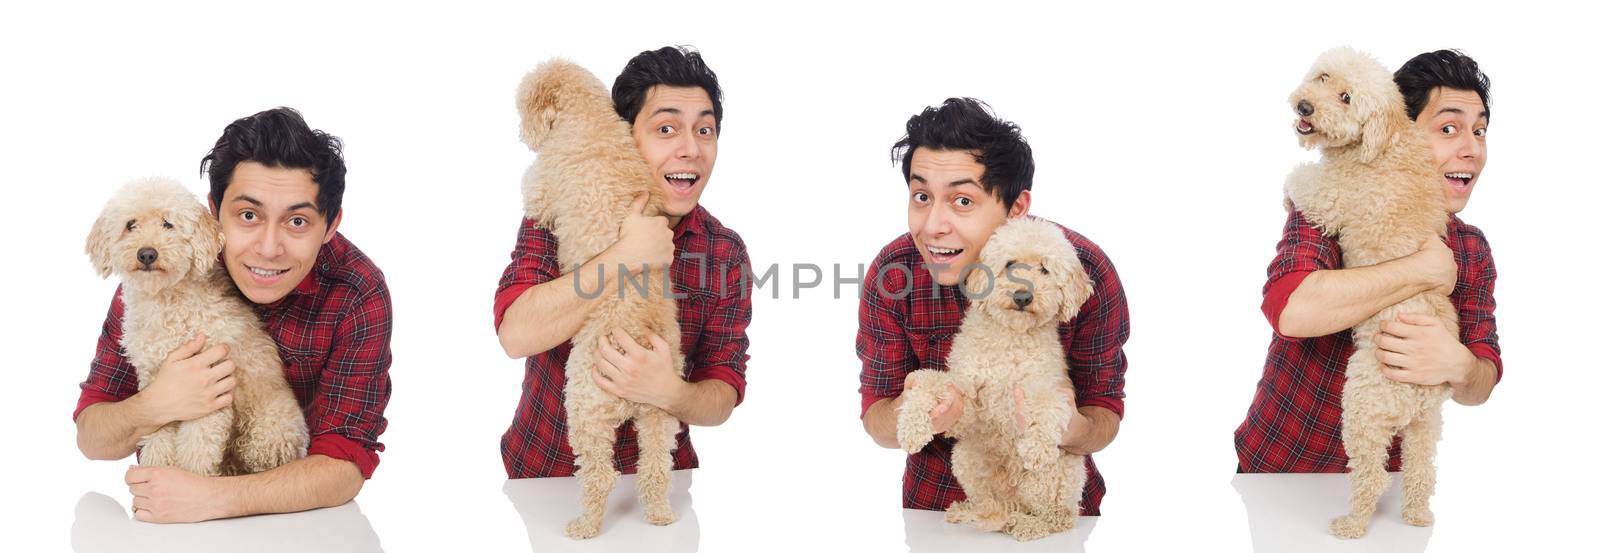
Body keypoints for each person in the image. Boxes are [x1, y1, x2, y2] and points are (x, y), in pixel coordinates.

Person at [75, 107, 393, 522]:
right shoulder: (156, 275)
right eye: (248, 215)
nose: (268, 247)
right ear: (214, 211)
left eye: (297, 221)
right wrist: (156, 403)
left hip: (298, 527)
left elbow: (344, 463)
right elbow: (92, 438)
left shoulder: (357, 292)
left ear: (331, 225)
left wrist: (212, 497)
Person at [858, 98, 1129, 514]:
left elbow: (1105, 413)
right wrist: (915, 412)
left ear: (1017, 208)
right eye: (921, 196)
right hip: (935, 513)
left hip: (1053, 517)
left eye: (962, 201)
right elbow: (876, 418)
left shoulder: (1080, 269)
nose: (933, 226)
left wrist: (1070, 428)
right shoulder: (894, 274)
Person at [1235, 50, 1500, 472]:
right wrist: (1419, 271)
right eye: (1449, 128)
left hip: (1384, 481)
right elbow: (1290, 309)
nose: (1472, 149)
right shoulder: (1327, 201)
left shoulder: (1470, 249)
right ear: (1399, 135)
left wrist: (1460, 366)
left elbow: (1483, 377)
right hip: (1280, 467)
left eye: (1481, 131)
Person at [494, 46, 753, 478]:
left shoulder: (724, 251)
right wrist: (625, 257)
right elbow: (515, 335)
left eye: (704, 131)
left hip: (663, 481)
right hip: (547, 476)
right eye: (667, 128)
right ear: (625, 134)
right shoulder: (563, 206)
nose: (690, 149)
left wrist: (669, 391)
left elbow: (723, 391)